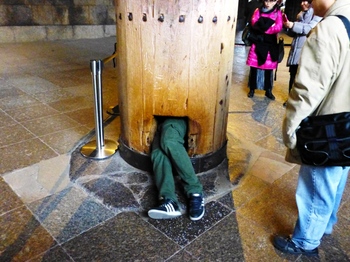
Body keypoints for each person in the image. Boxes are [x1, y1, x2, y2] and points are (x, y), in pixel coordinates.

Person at [274, 0, 350, 256]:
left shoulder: (330, 28)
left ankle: (305, 240)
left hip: (327, 128)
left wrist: (290, 129)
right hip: (348, 123)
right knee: (338, 174)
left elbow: (307, 91)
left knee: (317, 182)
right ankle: (325, 224)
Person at [148, 117, 205, 221]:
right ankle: (169, 200)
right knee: (158, 154)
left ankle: (195, 191)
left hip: (180, 115)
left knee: (170, 140)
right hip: (158, 118)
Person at [282, 0, 321, 107]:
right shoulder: (301, 15)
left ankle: (298, 102)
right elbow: (295, 32)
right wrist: (288, 26)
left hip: (306, 53)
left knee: (301, 78)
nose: (303, 3)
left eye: (307, 1)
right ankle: (290, 98)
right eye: (302, 1)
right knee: (292, 76)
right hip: (296, 51)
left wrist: (293, 25)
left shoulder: (317, 15)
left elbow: (309, 29)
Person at [246, 0, 283, 100]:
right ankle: (252, 88)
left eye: (271, 1)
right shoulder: (258, 10)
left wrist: (264, 28)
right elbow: (254, 23)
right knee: (254, 68)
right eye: (266, 0)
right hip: (258, 42)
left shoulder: (277, 13)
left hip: (270, 44)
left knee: (268, 69)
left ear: (276, 1)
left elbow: (279, 26)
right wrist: (270, 25)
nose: (268, 3)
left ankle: (268, 90)